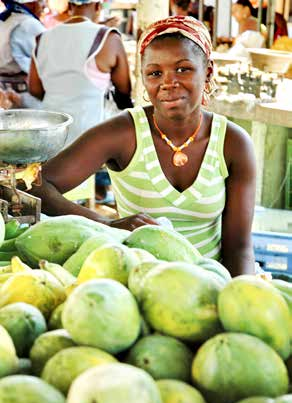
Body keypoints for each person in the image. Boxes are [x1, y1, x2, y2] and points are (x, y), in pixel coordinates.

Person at [30, 15, 256, 277]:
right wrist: (108, 224)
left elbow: (238, 248)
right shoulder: (123, 133)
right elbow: (37, 186)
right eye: (155, 73)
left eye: (183, 69)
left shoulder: (233, 144)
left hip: (209, 286)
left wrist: (237, 294)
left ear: (207, 72)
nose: (168, 82)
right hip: (137, 281)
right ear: (144, 80)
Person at [29, 0, 132, 203]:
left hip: (51, 136)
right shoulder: (107, 37)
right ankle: (101, 191)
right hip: (91, 140)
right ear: (97, 6)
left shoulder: (43, 38)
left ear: (69, 6)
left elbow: (35, 89)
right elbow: (124, 90)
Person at [0, 0, 44, 108]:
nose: (43, 6)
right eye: (42, 2)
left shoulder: (4, 20)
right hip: (27, 99)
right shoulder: (29, 24)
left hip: (4, 98)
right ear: (33, 4)